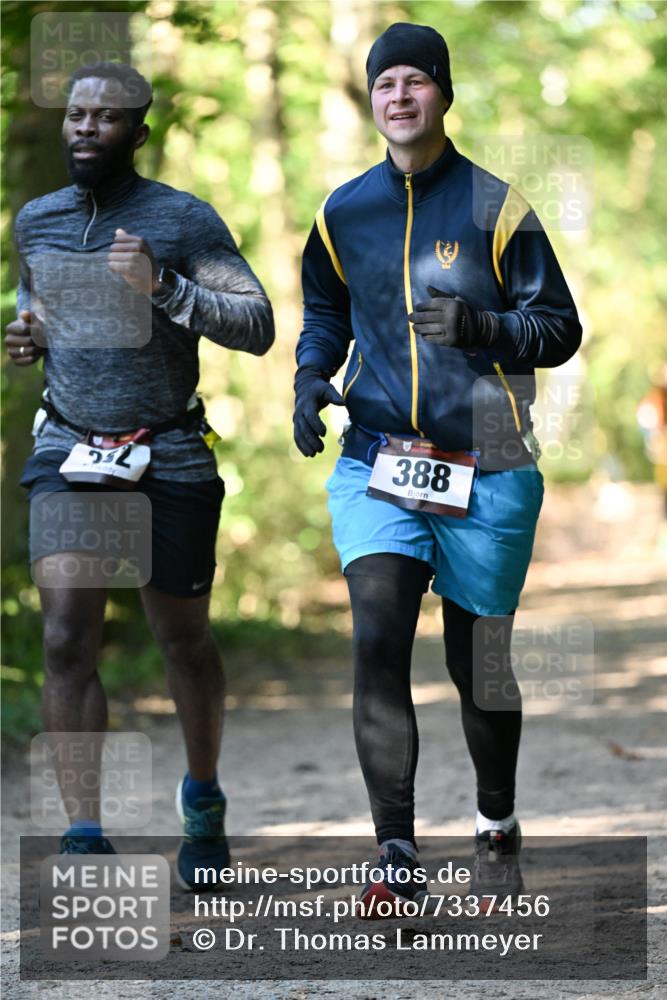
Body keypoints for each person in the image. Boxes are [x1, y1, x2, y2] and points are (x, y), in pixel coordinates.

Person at [293, 23, 581, 914]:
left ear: (442, 95)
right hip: (381, 459)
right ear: (372, 100)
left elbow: (559, 329)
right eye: (386, 85)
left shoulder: (498, 207)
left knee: (478, 662)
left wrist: (483, 328)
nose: (400, 97)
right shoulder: (342, 211)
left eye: (416, 81)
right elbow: (323, 311)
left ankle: (495, 822)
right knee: (378, 639)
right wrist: (309, 375)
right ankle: (395, 853)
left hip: (487, 464)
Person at [5, 63, 274, 887]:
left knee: (182, 640)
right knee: (63, 638)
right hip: (70, 448)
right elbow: (40, 307)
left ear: (139, 132)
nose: (86, 128)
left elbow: (257, 324)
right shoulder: (38, 221)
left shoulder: (181, 219)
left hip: (168, 450)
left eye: (108, 117)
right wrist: (32, 336)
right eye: (77, 115)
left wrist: (163, 285)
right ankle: (84, 833)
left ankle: (203, 804)